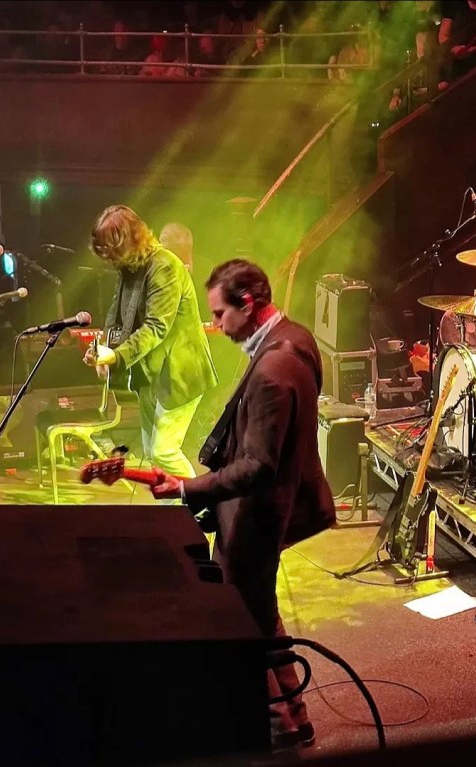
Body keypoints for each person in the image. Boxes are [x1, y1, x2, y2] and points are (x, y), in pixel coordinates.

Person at [147, 259, 336, 751]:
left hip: (258, 514)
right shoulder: (297, 337)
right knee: (260, 612)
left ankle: (276, 725)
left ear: (247, 303)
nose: (216, 325)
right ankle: (293, 717)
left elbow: (258, 465)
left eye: (220, 314)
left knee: (240, 620)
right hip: (276, 504)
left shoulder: (272, 370)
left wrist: (187, 488)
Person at [84, 205, 218, 478]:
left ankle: (198, 502)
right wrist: (102, 350)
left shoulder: (165, 266)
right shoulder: (130, 268)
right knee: (151, 451)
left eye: (112, 251)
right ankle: (177, 504)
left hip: (180, 371)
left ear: (129, 240)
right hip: (151, 373)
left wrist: (117, 356)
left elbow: (156, 327)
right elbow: (116, 315)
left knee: (163, 451)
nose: (110, 259)